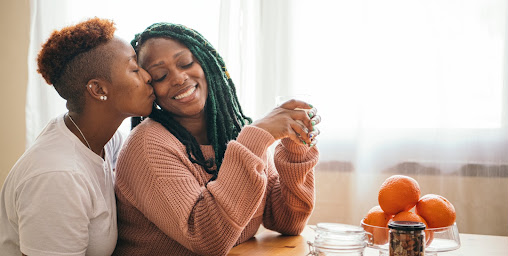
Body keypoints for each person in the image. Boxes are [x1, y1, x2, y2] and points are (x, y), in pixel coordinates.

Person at [113, 22, 322, 256]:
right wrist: (257, 136)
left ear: (206, 62)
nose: (179, 78)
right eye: (160, 75)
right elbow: (207, 240)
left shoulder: (233, 132)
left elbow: (288, 221)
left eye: (185, 63)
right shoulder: (147, 146)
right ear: (150, 89)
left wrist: (296, 147)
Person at [0, 18, 155, 256]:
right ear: (98, 89)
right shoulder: (58, 177)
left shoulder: (105, 140)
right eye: (134, 69)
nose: (147, 77)